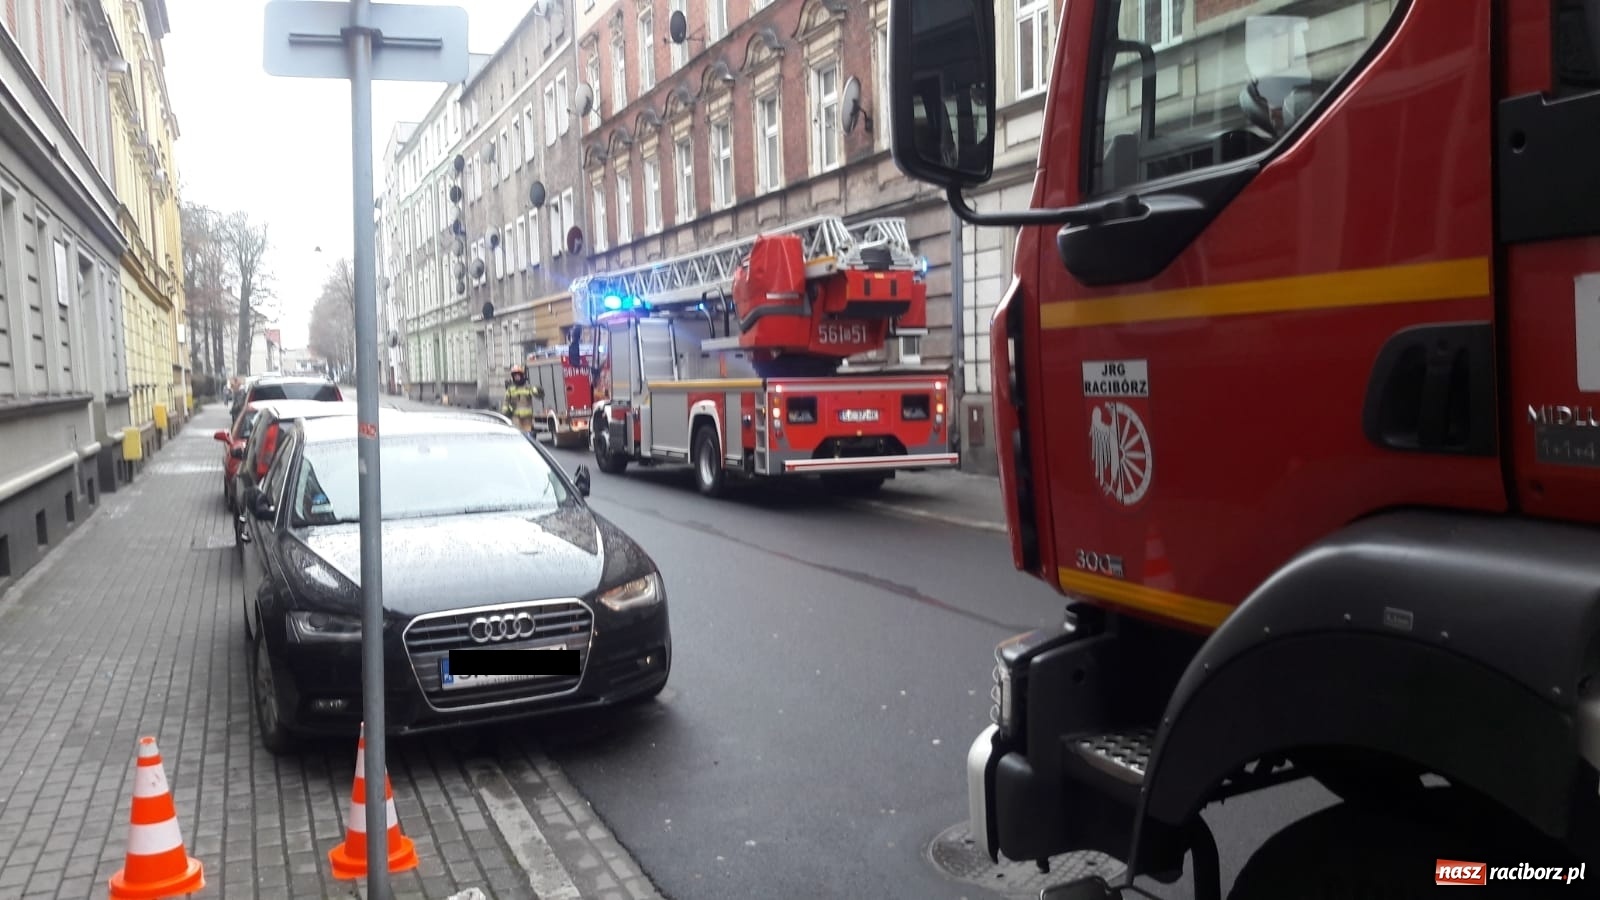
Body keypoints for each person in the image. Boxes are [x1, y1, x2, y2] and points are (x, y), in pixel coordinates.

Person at [501, 365, 544, 433]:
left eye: (518, 375)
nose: (516, 377)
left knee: (527, 435)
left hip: (527, 417)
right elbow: (506, 402)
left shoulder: (528, 387)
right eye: (515, 376)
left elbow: (538, 396)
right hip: (516, 417)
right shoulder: (510, 389)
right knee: (518, 434)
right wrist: (505, 413)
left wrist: (537, 391)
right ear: (513, 377)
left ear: (521, 375)